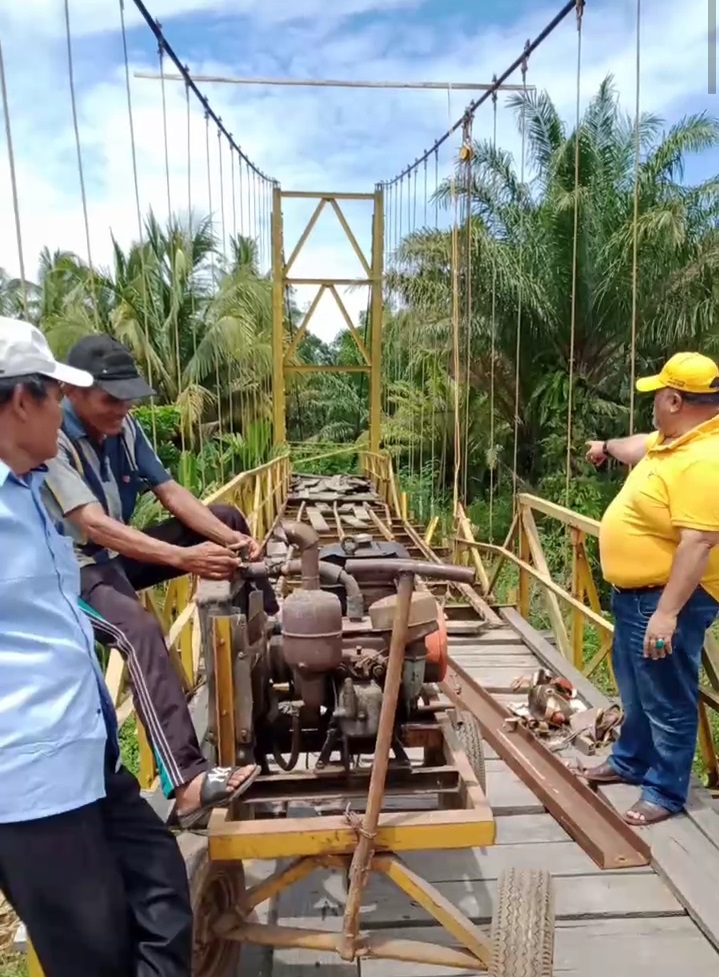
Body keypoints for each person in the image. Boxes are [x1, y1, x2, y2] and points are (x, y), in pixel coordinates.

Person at [0, 317, 193, 977]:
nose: (64, 410)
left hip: (89, 754)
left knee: (165, 891)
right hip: (30, 787)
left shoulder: (30, 488)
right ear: (23, 400)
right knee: (93, 954)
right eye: (56, 393)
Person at [42, 333, 276, 827]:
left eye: (128, 398)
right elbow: (92, 524)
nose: (122, 408)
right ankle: (187, 783)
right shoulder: (50, 439)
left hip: (117, 555)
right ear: (71, 390)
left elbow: (169, 490)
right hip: (73, 569)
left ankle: (272, 639)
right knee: (141, 631)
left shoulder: (125, 429)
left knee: (230, 517)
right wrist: (186, 558)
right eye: (111, 399)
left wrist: (228, 542)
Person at [587, 352, 719, 825]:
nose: (653, 406)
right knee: (635, 687)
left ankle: (664, 791)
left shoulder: (705, 460)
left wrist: (666, 614)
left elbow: (699, 542)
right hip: (635, 596)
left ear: (675, 399)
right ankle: (631, 760)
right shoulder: (674, 441)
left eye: (657, 397)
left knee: (666, 696)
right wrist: (605, 444)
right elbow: (637, 445)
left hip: (667, 598)